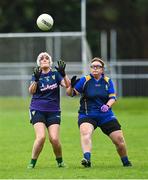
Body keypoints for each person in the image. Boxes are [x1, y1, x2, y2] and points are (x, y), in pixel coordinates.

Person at [66, 57, 132, 168]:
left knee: (119, 140)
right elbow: (71, 93)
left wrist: (107, 105)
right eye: (93, 66)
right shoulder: (85, 80)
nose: (95, 68)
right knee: (86, 133)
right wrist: (71, 86)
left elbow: (112, 97)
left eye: (98, 67)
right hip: (87, 114)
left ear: (102, 69)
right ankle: (87, 159)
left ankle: (126, 162)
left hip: (105, 115)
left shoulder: (107, 81)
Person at [27, 52, 70, 168]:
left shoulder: (55, 74)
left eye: (47, 58)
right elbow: (31, 91)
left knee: (54, 139)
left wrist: (64, 74)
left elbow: (68, 86)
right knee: (41, 137)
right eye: (42, 58)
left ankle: (60, 162)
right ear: (39, 62)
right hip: (37, 109)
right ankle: (32, 163)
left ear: (50, 62)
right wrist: (36, 80)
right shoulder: (36, 74)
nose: (44, 59)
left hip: (53, 110)